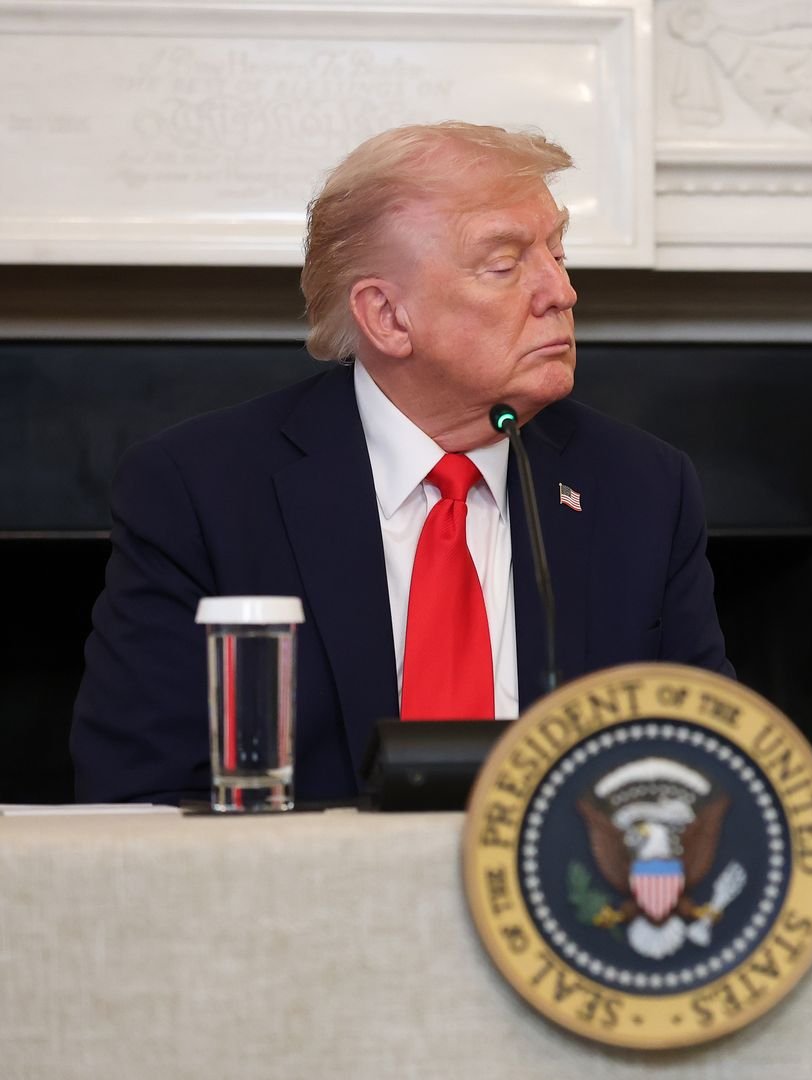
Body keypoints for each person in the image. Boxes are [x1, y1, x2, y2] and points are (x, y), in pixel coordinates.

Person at [72, 122, 731, 804]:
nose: (559, 292)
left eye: (557, 253)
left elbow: (712, 770)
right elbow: (134, 796)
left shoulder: (641, 487)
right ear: (387, 317)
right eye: (505, 265)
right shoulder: (201, 491)